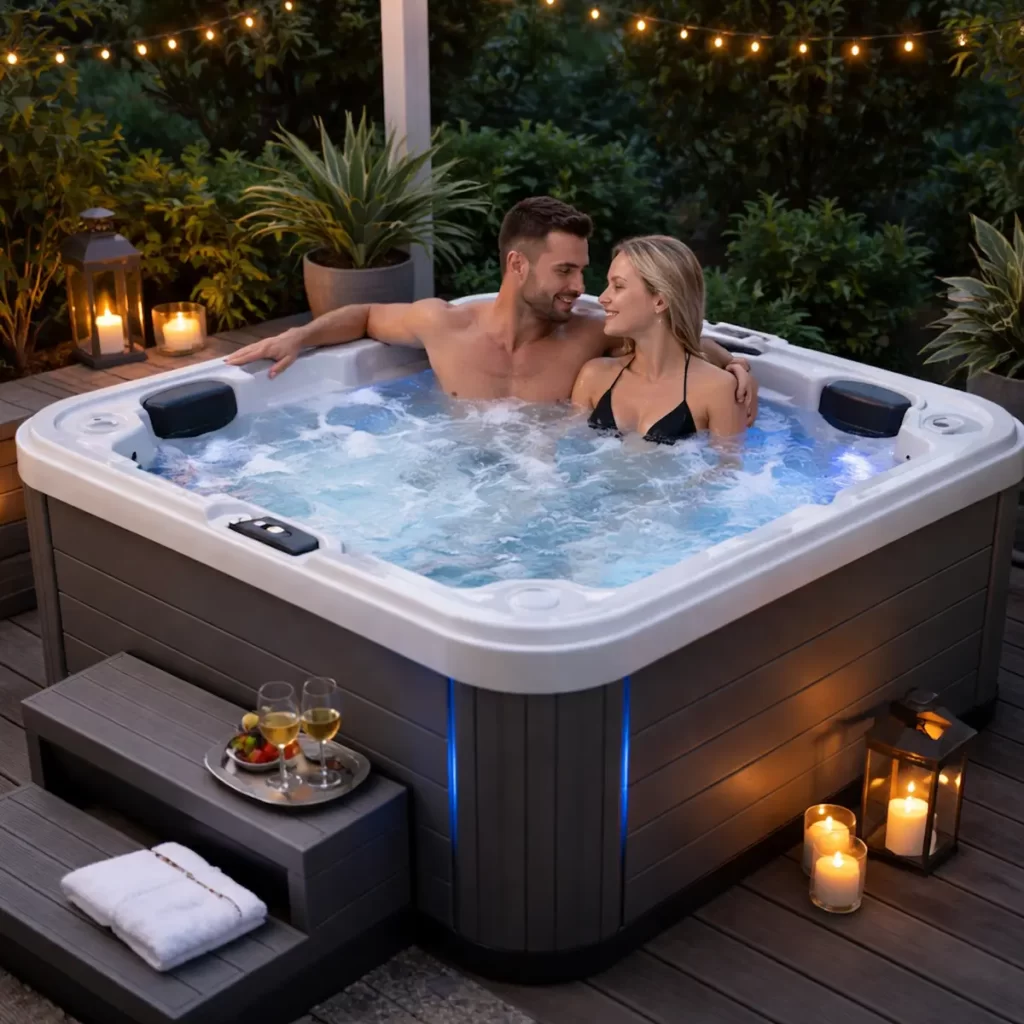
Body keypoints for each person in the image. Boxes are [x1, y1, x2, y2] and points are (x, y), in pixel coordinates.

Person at [226, 197, 757, 420]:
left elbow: (675, 338)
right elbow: (365, 316)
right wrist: (299, 337)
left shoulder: (590, 335)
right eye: (565, 271)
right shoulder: (445, 325)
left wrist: (734, 364)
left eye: (582, 270)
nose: (580, 287)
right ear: (517, 265)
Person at [573, 235, 746, 441]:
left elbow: (728, 461)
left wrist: (738, 365)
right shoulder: (594, 377)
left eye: (618, 286)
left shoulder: (718, 389)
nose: (602, 298)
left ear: (660, 301)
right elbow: (566, 448)